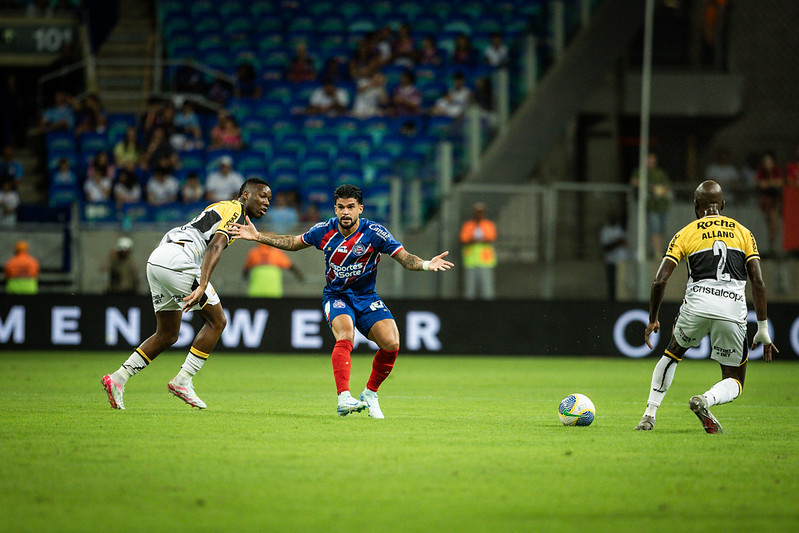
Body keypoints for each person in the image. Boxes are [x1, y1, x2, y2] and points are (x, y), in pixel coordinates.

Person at [228, 184, 453, 418]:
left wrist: (427, 264)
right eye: (341, 207)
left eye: (351, 207)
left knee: (391, 343)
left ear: (360, 209)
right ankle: (344, 397)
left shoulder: (375, 232)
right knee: (346, 335)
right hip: (336, 296)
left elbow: (405, 258)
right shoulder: (323, 230)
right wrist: (258, 237)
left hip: (366, 297)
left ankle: (370, 393)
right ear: (335, 209)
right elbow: (294, 242)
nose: (346, 212)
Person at [101, 177, 273, 410]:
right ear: (245, 195)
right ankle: (183, 380)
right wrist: (202, 283)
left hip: (158, 260)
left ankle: (118, 378)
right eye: (262, 196)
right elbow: (215, 246)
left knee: (168, 334)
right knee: (217, 321)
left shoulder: (221, 208)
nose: (266, 202)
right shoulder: (236, 211)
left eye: (269, 199)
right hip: (177, 261)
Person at [635, 180, 777, 434]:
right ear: (722, 204)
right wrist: (763, 327)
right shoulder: (744, 233)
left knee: (672, 354)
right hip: (732, 311)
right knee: (735, 378)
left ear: (695, 205)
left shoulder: (686, 232)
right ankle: (706, 400)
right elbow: (758, 281)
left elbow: (659, 280)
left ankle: (649, 415)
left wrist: (653, 318)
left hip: (697, 307)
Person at [630, 152, 672, 258]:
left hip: (662, 205)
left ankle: (660, 250)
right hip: (651, 206)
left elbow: (667, 185)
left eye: (653, 161)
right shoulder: (640, 172)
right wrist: (650, 187)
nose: (652, 163)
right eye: (650, 161)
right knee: (655, 228)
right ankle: (657, 251)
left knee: (661, 230)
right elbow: (634, 181)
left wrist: (661, 189)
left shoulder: (659, 172)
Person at [459, 202, 497, 300]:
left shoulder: (488, 225)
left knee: (487, 290)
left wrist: (476, 240)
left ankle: (489, 310)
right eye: (477, 212)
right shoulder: (468, 225)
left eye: (481, 212)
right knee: (469, 290)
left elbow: (491, 237)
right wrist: (475, 240)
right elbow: (463, 239)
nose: (479, 214)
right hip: (471, 261)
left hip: (485, 261)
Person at [755, 150, 783, 254]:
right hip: (764, 201)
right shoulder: (761, 171)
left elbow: (779, 182)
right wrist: (771, 184)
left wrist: (769, 184)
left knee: (773, 224)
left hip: (774, 201)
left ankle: (772, 247)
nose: (768, 164)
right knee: (765, 224)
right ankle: (764, 247)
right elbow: (760, 184)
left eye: (769, 162)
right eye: (765, 162)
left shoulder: (776, 170)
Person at [599, 213, 628, 301]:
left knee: (621, 284)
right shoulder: (605, 230)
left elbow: (624, 243)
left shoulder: (619, 229)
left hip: (621, 262)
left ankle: (620, 299)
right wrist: (616, 243)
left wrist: (619, 242)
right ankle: (612, 300)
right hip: (611, 261)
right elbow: (605, 247)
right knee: (612, 283)